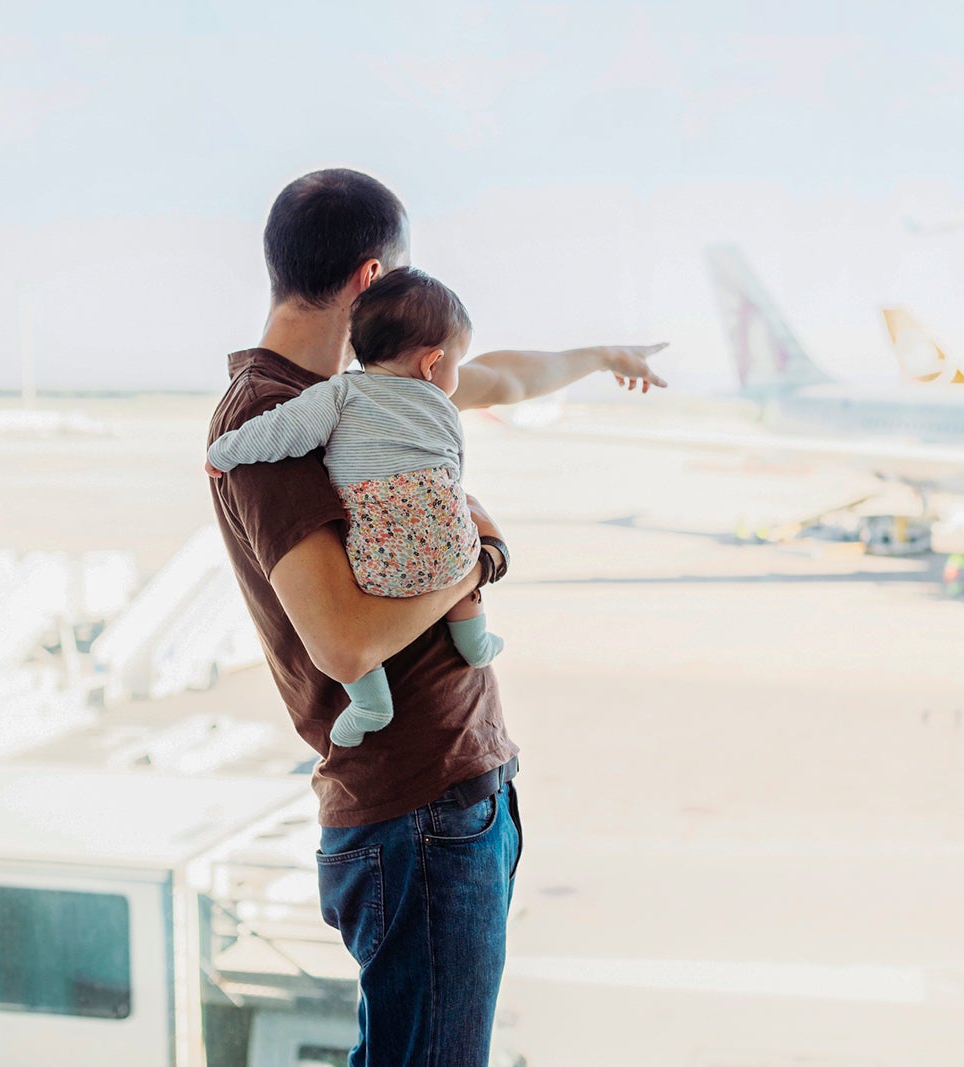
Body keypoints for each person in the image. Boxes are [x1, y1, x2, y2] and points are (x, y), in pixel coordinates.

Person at [207, 167, 666, 1065]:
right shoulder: (276, 416)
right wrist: (475, 552)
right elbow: (345, 639)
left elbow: (500, 374)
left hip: (449, 801)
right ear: (374, 280)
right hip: (415, 809)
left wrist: (605, 355)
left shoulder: (372, 388)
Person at [207, 267, 505, 748]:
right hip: (455, 553)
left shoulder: (339, 394)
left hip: (376, 567)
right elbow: (454, 474)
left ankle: (369, 703)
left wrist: (222, 454)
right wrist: (477, 546)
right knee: (454, 550)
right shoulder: (443, 408)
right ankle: (476, 643)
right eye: (457, 363)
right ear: (432, 364)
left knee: (387, 581)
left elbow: (282, 432)